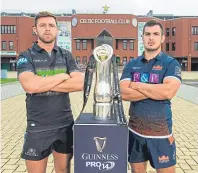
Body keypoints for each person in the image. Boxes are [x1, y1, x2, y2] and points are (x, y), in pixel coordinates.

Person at [17, 11, 84, 173]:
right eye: (43, 25)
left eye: (51, 25)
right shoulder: (26, 56)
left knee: (64, 171)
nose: (47, 29)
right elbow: (30, 86)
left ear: (57, 30)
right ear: (35, 29)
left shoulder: (66, 55)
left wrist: (42, 82)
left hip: (65, 124)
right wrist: (62, 76)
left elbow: (80, 83)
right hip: (37, 126)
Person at [120, 20, 181, 173]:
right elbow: (123, 93)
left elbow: (167, 92)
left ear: (162, 38)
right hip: (135, 132)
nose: (151, 38)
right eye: (147, 34)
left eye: (155, 34)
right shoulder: (132, 64)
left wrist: (137, 85)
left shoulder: (171, 64)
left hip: (161, 133)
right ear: (142, 37)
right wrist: (155, 90)